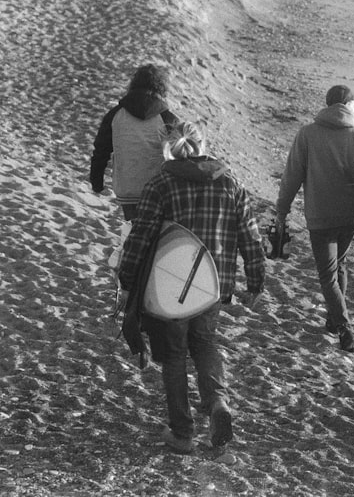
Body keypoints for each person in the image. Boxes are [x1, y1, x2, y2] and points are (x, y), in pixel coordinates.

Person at [116, 122, 266, 455]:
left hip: (169, 285)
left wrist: (126, 279)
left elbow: (140, 238)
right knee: (205, 342)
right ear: (202, 145)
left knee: (173, 355)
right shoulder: (231, 185)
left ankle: (183, 432)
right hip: (212, 285)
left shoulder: (160, 185)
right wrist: (255, 281)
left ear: (168, 149)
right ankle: (217, 403)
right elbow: (251, 239)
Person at [275, 84, 354, 352]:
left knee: (328, 274)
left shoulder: (307, 134)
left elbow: (292, 175)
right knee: (339, 267)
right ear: (348, 106)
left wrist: (282, 209)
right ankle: (336, 319)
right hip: (348, 216)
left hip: (320, 217)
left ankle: (344, 327)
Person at [90, 64, 178, 221]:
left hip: (127, 188)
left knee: (133, 228)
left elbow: (101, 151)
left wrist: (97, 182)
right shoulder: (167, 118)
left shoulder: (115, 115)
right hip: (158, 189)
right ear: (161, 88)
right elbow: (180, 154)